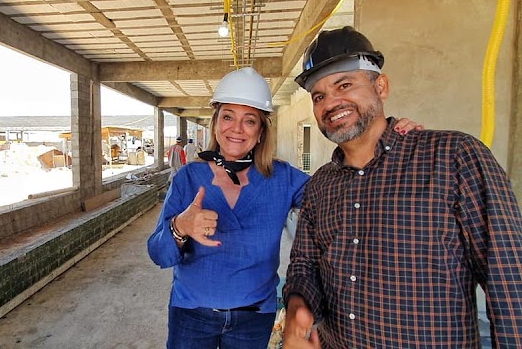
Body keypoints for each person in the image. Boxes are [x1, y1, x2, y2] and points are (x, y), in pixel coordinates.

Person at [147, 66, 422, 348]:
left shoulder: (282, 178)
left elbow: (344, 195)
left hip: (253, 319)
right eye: (228, 116)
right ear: (216, 122)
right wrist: (179, 227)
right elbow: (159, 254)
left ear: (262, 131)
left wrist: (385, 142)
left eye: (249, 120)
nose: (236, 129)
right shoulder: (188, 178)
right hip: (191, 316)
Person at [282, 26, 522, 348]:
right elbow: (304, 265)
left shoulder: (453, 158)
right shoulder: (320, 186)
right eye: (319, 96)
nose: (331, 102)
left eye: (345, 84)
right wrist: (299, 307)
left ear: (381, 86)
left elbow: (508, 280)